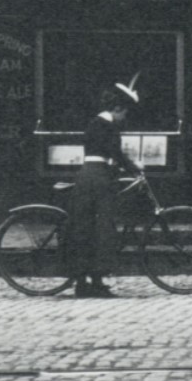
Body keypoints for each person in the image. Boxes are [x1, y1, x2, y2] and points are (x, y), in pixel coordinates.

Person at [66, 77, 143, 298]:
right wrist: (133, 167)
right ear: (117, 108)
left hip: (92, 176)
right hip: (97, 178)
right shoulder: (105, 125)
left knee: (88, 227)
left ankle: (86, 281)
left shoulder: (98, 123)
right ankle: (93, 282)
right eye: (125, 112)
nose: (125, 117)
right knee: (101, 228)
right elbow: (113, 152)